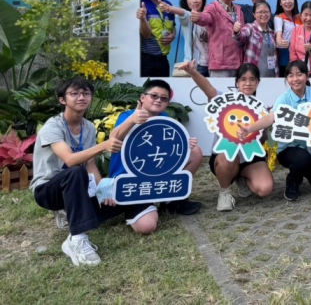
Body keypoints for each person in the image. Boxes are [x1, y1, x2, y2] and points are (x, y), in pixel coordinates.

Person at [31, 77, 158, 266]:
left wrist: (103, 190)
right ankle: (77, 238)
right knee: (75, 171)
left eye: (86, 93)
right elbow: (70, 160)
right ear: (62, 100)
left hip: (78, 188)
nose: (81, 97)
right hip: (48, 190)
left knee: (119, 194)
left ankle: (75, 215)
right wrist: (104, 145)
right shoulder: (52, 127)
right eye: (74, 93)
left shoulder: (88, 127)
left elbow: (89, 164)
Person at [176, 61, 274, 211]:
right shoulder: (225, 100)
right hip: (225, 156)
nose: (248, 83)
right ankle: (225, 191)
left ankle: (241, 177)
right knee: (229, 156)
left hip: (249, 156)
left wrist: (264, 127)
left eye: (252, 79)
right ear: (237, 82)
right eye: (243, 79)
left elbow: (261, 141)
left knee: (264, 189)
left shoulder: (261, 108)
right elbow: (208, 88)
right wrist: (193, 72)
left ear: (258, 82)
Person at [239, 61, 311, 201]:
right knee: (302, 159)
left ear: (307, 76)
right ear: (287, 79)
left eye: (299, 74)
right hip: (289, 149)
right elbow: (271, 117)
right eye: (290, 75)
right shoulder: (284, 99)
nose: (295, 79)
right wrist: (249, 129)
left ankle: (304, 170)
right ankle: (293, 181)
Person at [109, 80, 204, 214]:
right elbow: (112, 139)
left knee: (195, 152)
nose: (158, 100)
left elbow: (167, 146)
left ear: (167, 103)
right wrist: (132, 121)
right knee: (148, 223)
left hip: (154, 169)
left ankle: (172, 199)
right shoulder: (127, 116)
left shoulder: (164, 117)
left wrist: (184, 143)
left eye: (164, 98)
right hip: (128, 177)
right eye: (154, 96)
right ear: (143, 98)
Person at [192, 0, 245, 78]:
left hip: (239, 63)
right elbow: (205, 17)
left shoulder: (239, 10)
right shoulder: (212, 8)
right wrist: (198, 17)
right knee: (219, 89)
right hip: (220, 64)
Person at [160, 0, 209, 77]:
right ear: (186, 2)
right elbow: (182, 12)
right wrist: (169, 8)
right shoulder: (188, 17)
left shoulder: (209, 17)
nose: (195, 0)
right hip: (194, 65)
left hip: (212, 64)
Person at [138, 0, 175, 77]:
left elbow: (173, 26)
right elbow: (146, 35)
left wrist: (173, 36)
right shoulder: (140, 4)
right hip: (146, 59)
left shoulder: (168, 4)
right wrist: (143, 19)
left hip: (163, 59)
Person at [235, 1, 278, 77]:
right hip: (253, 75)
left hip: (271, 75)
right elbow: (241, 37)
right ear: (254, 15)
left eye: (266, 12)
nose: (263, 14)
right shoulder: (250, 27)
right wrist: (236, 32)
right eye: (260, 12)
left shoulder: (272, 33)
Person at [274, 0, 302, 77]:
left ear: (294, 1)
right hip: (285, 55)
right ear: (280, 3)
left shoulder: (299, 18)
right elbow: (278, 34)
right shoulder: (278, 18)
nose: (288, 1)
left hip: (299, 55)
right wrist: (279, 40)